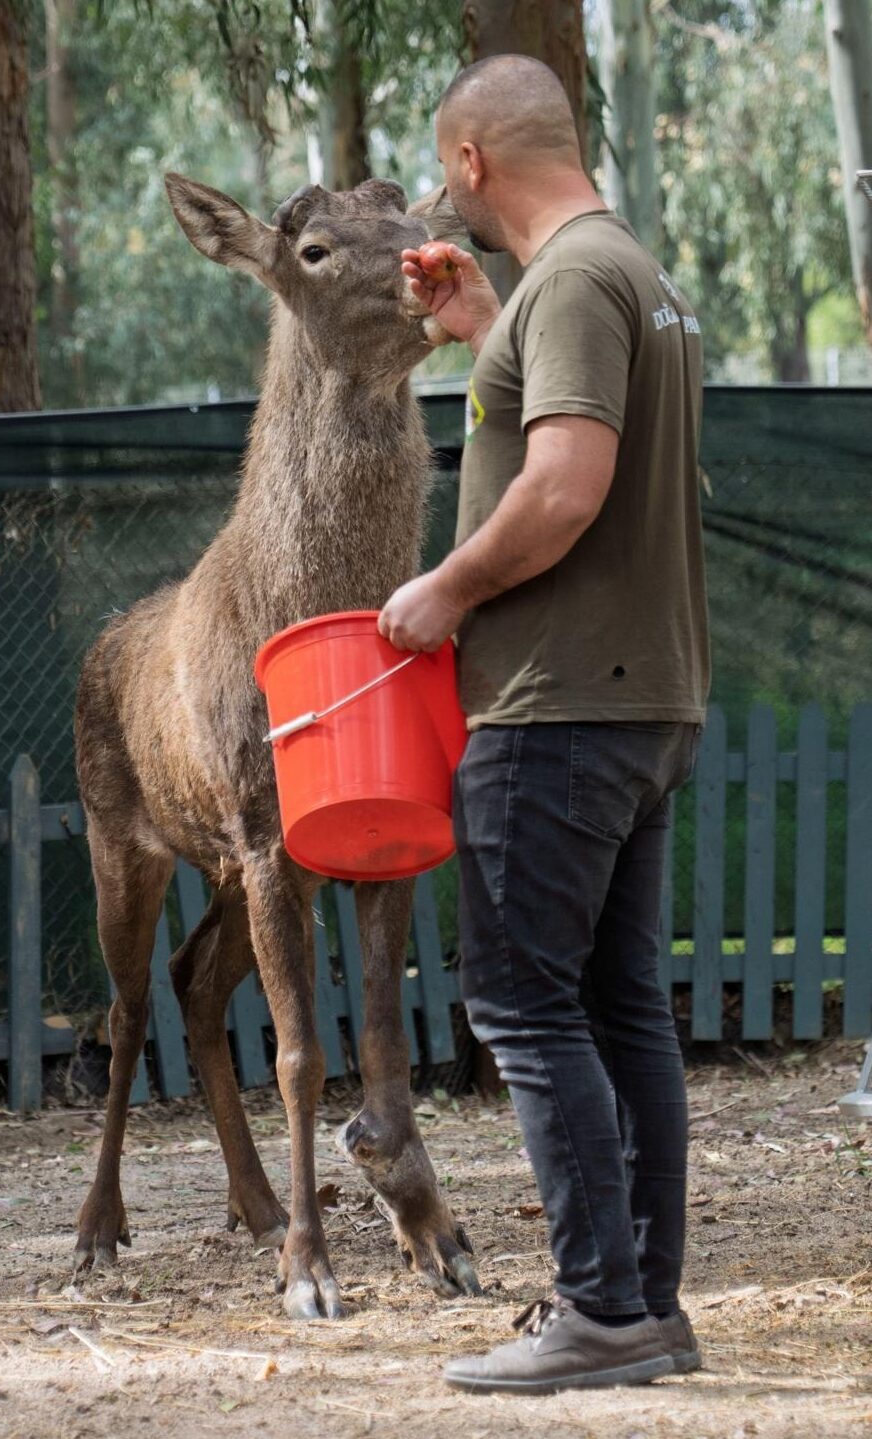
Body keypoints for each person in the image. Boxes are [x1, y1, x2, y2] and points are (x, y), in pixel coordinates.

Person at [378, 53, 709, 1397]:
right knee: (622, 1005)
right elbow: (556, 426)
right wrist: (484, 329)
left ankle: (598, 1308)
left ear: (469, 165)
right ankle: (646, 1308)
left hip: (559, 704)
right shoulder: (621, 275)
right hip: (641, 697)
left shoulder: (575, 281)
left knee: (522, 1000)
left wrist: (443, 592)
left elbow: (567, 488)